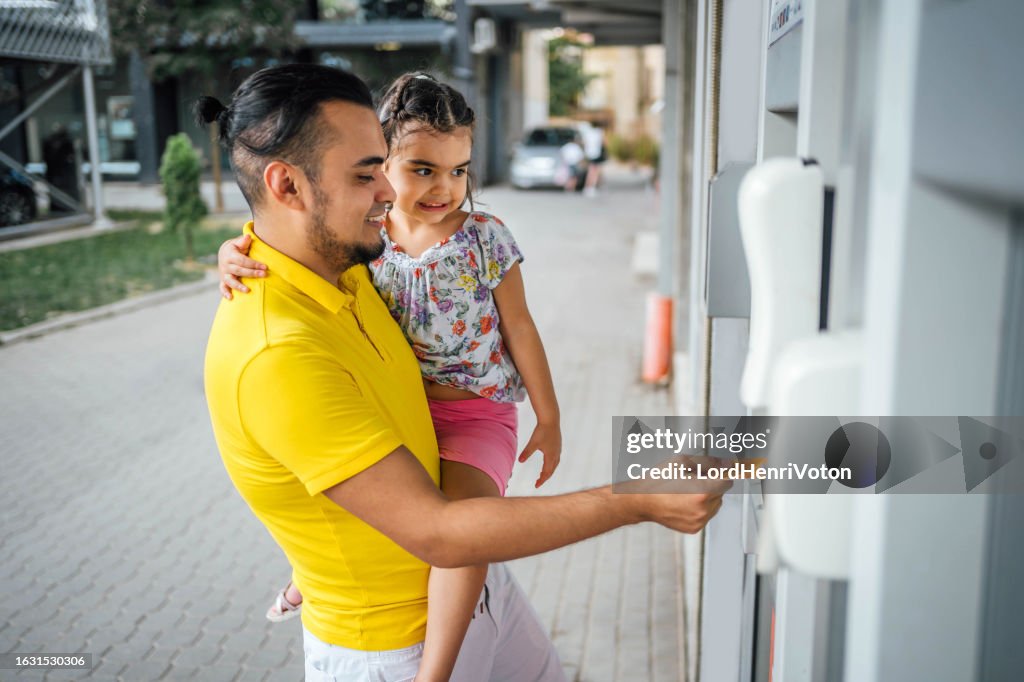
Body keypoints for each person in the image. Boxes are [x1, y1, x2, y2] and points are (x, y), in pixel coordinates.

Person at [201, 63, 729, 682]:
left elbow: (518, 325)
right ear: (288, 187)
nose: (388, 196)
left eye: (383, 167)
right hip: (400, 646)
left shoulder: (345, 262)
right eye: (369, 172)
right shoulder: (278, 353)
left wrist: (240, 242)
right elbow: (442, 536)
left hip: (481, 563)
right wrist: (637, 500)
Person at [217, 71, 563, 681]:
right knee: (435, 528)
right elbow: (288, 239)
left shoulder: (460, 241)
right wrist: (234, 250)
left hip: (476, 420)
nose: (444, 188)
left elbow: (522, 326)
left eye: (459, 171)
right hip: (393, 624)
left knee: (471, 544)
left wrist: (550, 415)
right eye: (418, 169)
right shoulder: (366, 254)